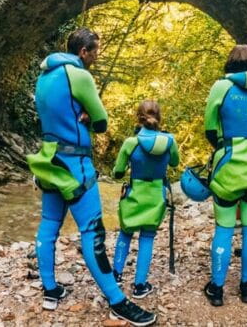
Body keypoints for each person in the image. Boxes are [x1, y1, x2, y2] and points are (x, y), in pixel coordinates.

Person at [27, 28, 156, 326]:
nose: (97, 57)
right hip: (75, 163)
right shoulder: (80, 75)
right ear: (83, 52)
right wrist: (87, 113)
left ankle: (50, 290)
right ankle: (117, 301)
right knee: (92, 231)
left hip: (48, 160)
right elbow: (101, 122)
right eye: (95, 51)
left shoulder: (44, 76)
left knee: (49, 225)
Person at [203, 44, 247, 306]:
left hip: (229, 164)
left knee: (224, 227)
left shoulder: (221, 87)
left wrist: (225, 146)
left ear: (230, 63)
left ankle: (217, 289)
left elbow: (210, 128)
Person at [112, 100, 180, 299]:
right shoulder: (169, 141)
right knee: (147, 238)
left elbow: (117, 172)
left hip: (135, 194)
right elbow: (175, 163)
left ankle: (116, 276)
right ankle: (140, 285)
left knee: (125, 233)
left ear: (138, 117)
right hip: (156, 194)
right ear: (159, 118)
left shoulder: (130, 143)